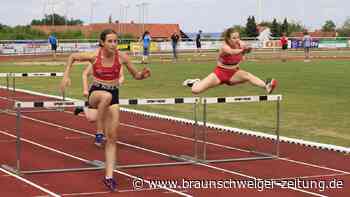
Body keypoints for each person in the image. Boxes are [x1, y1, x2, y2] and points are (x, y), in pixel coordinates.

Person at [60, 29, 151, 191]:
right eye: (110, 41)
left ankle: (109, 177)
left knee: (112, 138)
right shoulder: (94, 56)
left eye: (116, 41)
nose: (113, 44)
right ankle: (91, 113)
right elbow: (72, 57)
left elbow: (136, 75)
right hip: (96, 92)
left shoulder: (122, 57)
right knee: (104, 100)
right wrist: (66, 75)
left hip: (114, 94)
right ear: (102, 42)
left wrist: (143, 75)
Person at [183, 28, 277, 95]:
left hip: (233, 73)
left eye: (238, 37)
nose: (237, 40)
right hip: (219, 73)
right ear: (228, 39)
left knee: (247, 75)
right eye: (234, 38)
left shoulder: (241, 44)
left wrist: (248, 49)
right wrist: (242, 50)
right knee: (195, 91)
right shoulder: (224, 47)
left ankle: (266, 85)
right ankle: (195, 82)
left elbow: (246, 50)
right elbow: (232, 52)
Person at [74, 63, 124, 147]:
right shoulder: (96, 59)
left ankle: (100, 134)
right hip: (97, 90)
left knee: (114, 120)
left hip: (113, 91)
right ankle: (85, 109)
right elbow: (85, 74)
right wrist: (85, 89)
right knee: (92, 119)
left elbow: (121, 76)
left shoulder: (118, 61)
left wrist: (119, 82)